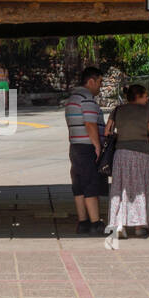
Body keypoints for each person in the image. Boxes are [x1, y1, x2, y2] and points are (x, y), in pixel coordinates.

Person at [104, 84, 149, 238]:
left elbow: (107, 131)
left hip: (121, 154)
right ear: (139, 96)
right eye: (145, 96)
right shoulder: (147, 111)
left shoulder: (118, 110)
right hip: (142, 155)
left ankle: (119, 224)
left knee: (120, 189)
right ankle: (139, 226)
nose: (147, 99)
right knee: (140, 189)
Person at [64, 66, 106, 234]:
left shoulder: (72, 98)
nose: (100, 86)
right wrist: (97, 146)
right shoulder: (86, 98)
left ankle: (83, 222)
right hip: (87, 147)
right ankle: (96, 223)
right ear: (91, 81)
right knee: (90, 184)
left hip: (75, 146)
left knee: (79, 185)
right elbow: (90, 124)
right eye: (100, 82)